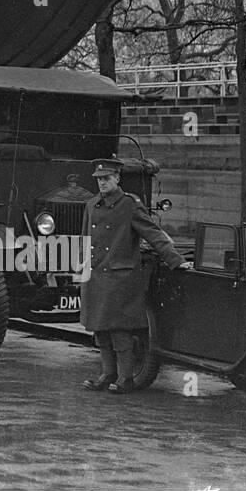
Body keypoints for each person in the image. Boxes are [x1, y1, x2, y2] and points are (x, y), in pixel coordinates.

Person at [81, 157, 191, 394]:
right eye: (99, 179)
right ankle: (107, 374)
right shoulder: (91, 205)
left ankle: (126, 378)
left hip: (119, 278)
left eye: (107, 179)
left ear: (117, 179)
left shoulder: (129, 205)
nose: (102, 183)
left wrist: (176, 260)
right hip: (96, 274)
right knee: (100, 329)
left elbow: (153, 233)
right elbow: (84, 240)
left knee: (120, 331)